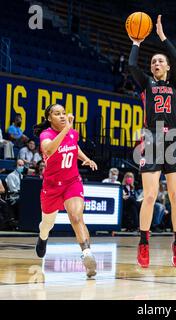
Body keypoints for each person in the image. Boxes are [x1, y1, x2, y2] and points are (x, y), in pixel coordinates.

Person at [128, 15, 176, 268]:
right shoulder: (145, 84)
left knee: (175, 197)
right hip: (151, 138)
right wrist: (136, 42)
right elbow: (131, 65)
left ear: (168, 67)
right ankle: (143, 241)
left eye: (161, 60)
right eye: (153, 62)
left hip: (173, 139)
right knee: (149, 196)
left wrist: (162, 36)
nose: (157, 63)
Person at [33, 104, 98, 278]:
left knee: (76, 217)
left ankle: (87, 255)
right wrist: (67, 128)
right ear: (49, 118)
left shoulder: (72, 133)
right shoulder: (46, 135)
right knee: (47, 224)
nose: (62, 116)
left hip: (72, 182)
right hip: (52, 186)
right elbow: (49, 149)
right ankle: (43, 237)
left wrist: (86, 159)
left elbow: (74, 147)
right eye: (57, 114)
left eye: (63, 113)